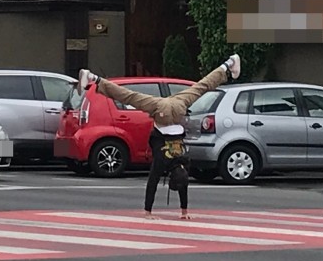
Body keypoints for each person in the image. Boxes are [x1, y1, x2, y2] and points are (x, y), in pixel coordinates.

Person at [77, 54, 241, 220]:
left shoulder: (184, 160)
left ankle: (229, 63)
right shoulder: (165, 160)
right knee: (129, 96)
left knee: (200, 87)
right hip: (164, 113)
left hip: (177, 107)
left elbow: (179, 182)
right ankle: (94, 78)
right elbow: (153, 182)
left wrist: (184, 212)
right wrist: (151, 212)